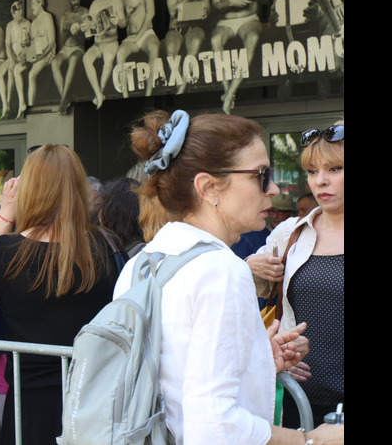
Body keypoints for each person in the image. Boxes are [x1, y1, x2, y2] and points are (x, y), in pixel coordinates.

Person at [117, 109, 343, 444]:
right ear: (208, 188)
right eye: (260, 175)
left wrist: (257, 361)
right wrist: (312, 440)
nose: (274, 188)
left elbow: (174, 377)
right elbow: (214, 424)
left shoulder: (143, 261)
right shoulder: (221, 270)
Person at [0, 145, 118, 444]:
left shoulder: (6, 253)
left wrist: (5, 216)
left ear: (30, 190)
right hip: (87, 396)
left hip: (27, 402)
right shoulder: (100, 250)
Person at [248, 122, 344, 427]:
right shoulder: (290, 232)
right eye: (313, 171)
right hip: (297, 399)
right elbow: (246, 298)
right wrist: (250, 267)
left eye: (335, 169)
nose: (321, 181)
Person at [211, 0, 271, 114]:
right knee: (215, 41)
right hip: (226, 22)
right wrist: (232, 1)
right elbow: (215, 5)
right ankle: (226, 88)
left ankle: (230, 93)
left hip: (249, 18)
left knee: (252, 37)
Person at [165, 0, 211, 94]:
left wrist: (205, 12)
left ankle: (183, 87)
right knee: (171, 50)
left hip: (194, 28)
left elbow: (208, 8)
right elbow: (173, 12)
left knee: (195, 44)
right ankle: (178, 83)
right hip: (176, 29)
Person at [115, 0, 162, 97]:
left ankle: (148, 93)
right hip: (131, 37)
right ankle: (125, 95)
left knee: (154, 48)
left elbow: (151, 13)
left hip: (146, 33)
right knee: (120, 54)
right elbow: (123, 24)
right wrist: (129, 12)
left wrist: (139, 35)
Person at [81, 0, 125, 108]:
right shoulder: (95, 3)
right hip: (98, 43)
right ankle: (99, 93)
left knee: (109, 58)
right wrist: (85, 27)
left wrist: (118, 21)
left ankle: (99, 93)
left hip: (111, 41)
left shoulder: (116, 0)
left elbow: (124, 22)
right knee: (86, 58)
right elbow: (89, 22)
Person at [50, 0, 89, 113]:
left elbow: (88, 38)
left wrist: (80, 32)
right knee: (54, 63)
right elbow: (61, 39)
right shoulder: (65, 16)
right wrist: (67, 29)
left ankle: (62, 101)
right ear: (69, 0)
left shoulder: (85, 12)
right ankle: (65, 98)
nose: (76, 2)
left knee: (73, 61)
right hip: (65, 48)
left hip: (78, 48)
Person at [95, 177, 145, 257]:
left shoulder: (137, 255)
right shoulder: (147, 252)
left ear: (112, 214)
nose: (99, 216)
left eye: (102, 208)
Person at [2, 1, 32, 119]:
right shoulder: (10, 25)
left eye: (20, 10)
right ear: (13, 14)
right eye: (17, 11)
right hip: (13, 56)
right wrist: (11, 59)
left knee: (14, 71)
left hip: (25, 56)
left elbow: (30, 43)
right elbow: (8, 44)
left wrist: (24, 50)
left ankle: (20, 102)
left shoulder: (27, 23)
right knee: (7, 70)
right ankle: (8, 103)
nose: (19, 12)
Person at [26, 0, 56, 107]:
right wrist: (30, 55)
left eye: (33, 4)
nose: (31, 7)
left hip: (48, 53)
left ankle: (31, 106)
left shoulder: (47, 17)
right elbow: (33, 44)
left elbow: (52, 42)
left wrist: (41, 56)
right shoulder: (33, 23)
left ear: (40, 3)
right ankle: (29, 105)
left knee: (31, 75)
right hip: (37, 55)